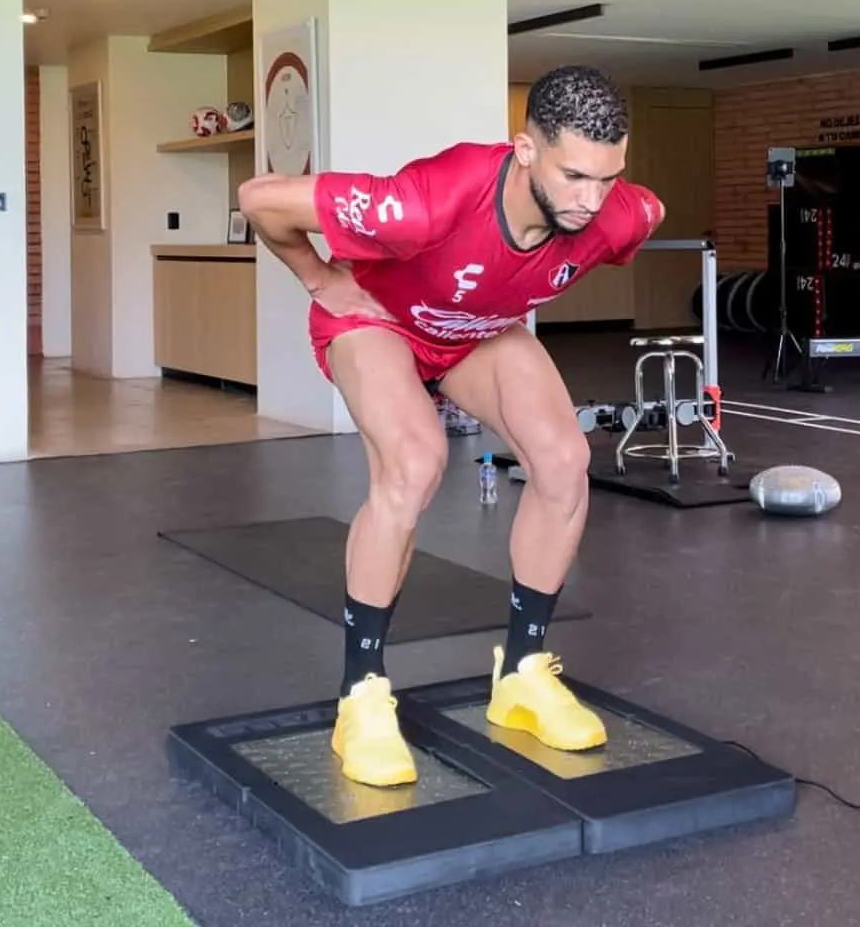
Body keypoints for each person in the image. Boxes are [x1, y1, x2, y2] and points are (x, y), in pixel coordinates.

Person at [239, 65, 665, 788]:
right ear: (525, 149)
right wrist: (321, 277)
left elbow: (582, 230)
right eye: (573, 177)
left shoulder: (629, 215)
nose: (592, 201)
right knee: (415, 462)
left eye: (607, 179)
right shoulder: (427, 203)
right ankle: (362, 695)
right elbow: (260, 198)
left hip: (476, 332)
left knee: (563, 459)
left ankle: (523, 673)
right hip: (376, 320)